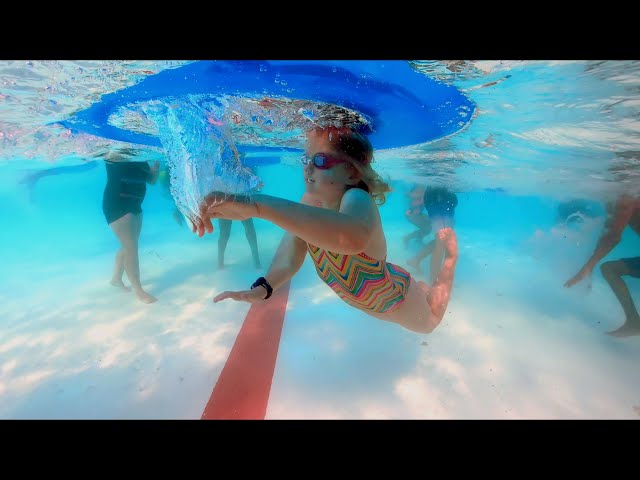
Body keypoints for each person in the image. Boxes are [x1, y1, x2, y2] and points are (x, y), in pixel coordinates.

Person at [189, 126, 458, 334]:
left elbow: (348, 239)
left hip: (396, 300)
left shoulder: (356, 199)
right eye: (306, 159)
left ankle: (450, 259)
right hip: (369, 301)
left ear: (352, 173)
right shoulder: (311, 205)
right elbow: (290, 252)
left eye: (319, 160)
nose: (307, 166)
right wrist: (265, 287)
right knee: (424, 298)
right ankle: (424, 286)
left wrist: (257, 206)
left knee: (431, 321)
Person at [564, 194, 640, 337]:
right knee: (609, 269)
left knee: (610, 269)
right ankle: (634, 321)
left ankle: (634, 321)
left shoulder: (625, 194)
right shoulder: (622, 192)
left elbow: (612, 237)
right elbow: (610, 232)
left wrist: (587, 268)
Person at [99, 147, 160, 304]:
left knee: (129, 245)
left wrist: (155, 169)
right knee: (131, 247)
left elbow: (151, 180)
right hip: (117, 204)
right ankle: (138, 290)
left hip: (135, 204)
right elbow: (112, 155)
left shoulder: (141, 156)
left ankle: (116, 279)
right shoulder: (115, 151)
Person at [408, 186, 458, 285]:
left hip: (443, 199)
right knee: (441, 241)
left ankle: (416, 260)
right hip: (438, 199)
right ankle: (433, 282)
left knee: (444, 240)